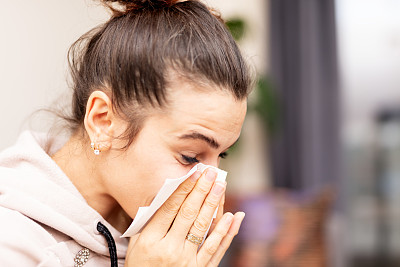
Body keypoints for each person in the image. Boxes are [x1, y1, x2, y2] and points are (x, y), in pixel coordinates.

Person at [0, 0, 252, 266]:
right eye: (189, 156)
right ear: (103, 121)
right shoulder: (12, 243)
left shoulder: (164, 243)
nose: (212, 185)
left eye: (221, 153)